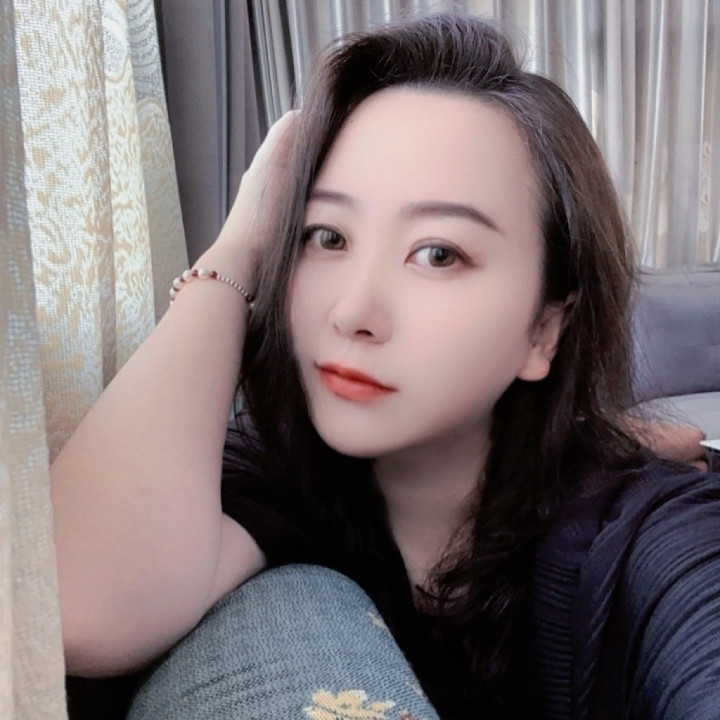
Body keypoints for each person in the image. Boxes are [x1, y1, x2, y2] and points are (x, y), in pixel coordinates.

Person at [52, 13, 718, 720]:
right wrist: (236, 249)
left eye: (438, 253)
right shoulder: (278, 473)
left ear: (544, 330)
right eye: (326, 236)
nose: (352, 311)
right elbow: (76, 608)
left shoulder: (654, 536)